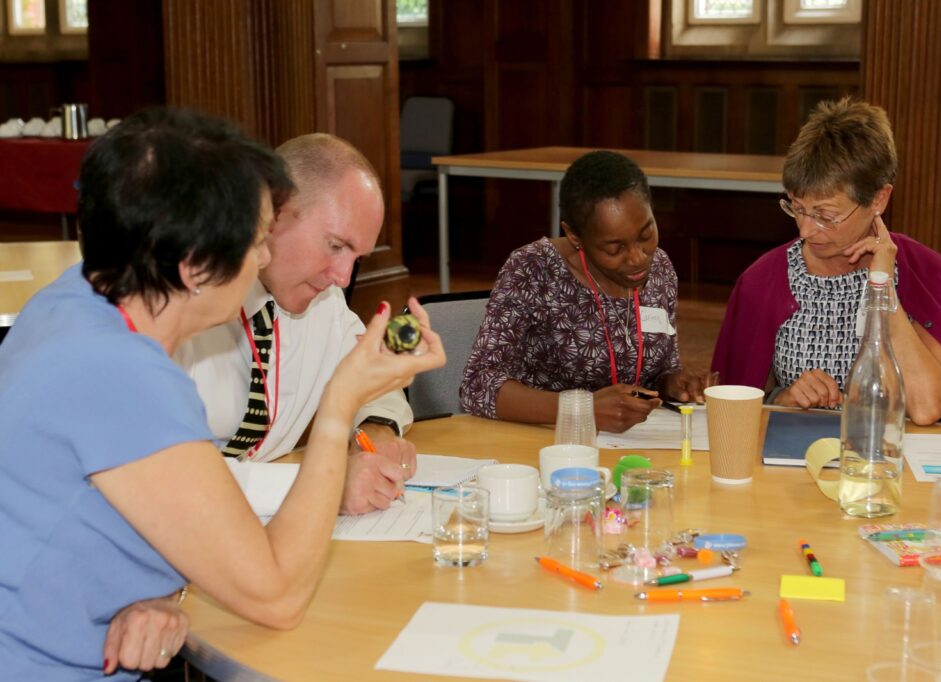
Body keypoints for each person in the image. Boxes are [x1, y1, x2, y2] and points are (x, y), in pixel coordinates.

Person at [0, 108, 445, 679]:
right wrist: (337, 410)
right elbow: (277, 596)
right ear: (194, 265)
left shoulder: (75, 303)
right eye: (256, 240)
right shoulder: (120, 375)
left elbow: (127, 504)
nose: (262, 259)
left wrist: (161, 589)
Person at [175, 134, 417, 514]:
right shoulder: (179, 307)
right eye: (336, 246)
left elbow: (371, 380)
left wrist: (374, 432)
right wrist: (323, 486)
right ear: (275, 214)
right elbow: (170, 477)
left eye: (357, 258)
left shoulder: (324, 300)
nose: (342, 276)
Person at [711, 98, 941, 426]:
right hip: (793, 462)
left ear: (879, 199)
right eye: (797, 208)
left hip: (898, 464)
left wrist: (882, 289)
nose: (807, 230)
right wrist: (786, 398)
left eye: (826, 214)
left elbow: (926, 407)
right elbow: (736, 401)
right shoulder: (763, 281)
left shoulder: (931, 277)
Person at [460, 150, 707, 433]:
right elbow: (477, 386)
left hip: (632, 444)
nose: (638, 257)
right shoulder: (534, 269)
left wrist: (673, 382)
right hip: (544, 443)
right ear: (574, 235)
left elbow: (661, 368)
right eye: (614, 248)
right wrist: (580, 408)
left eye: (646, 234)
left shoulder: (660, 267)